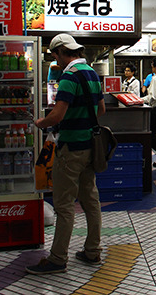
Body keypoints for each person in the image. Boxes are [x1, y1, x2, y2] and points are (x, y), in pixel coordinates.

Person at [26, 34, 105, 275]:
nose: (54, 60)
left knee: (63, 204)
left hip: (70, 149)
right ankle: (92, 251)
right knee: (91, 200)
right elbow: (100, 110)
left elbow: (57, 115)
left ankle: (58, 258)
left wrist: (40, 122)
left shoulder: (68, 77)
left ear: (62, 51)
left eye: (54, 55)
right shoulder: (92, 74)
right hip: (90, 148)